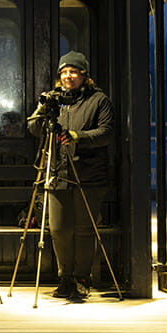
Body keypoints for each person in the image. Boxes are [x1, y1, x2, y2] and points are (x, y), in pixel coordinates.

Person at [26, 51, 114, 303]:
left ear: (84, 75)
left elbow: (106, 132)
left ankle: (82, 279)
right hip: (57, 173)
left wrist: (78, 137)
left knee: (85, 229)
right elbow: (33, 127)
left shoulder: (99, 100)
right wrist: (44, 112)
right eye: (64, 72)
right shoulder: (54, 101)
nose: (68, 76)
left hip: (89, 176)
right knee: (58, 229)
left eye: (73, 71)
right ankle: (65, 278)